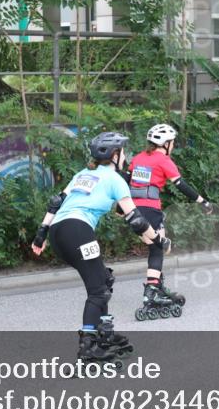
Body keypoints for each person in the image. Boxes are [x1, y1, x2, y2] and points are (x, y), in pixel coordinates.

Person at [31, 131, 171, 361]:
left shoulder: (83, 174)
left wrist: (41, 234)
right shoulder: (115, 179)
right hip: (78, 231)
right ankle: (88, 346)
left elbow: (56, 202)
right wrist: (158, 240)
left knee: (103, 280)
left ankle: (104, 334)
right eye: (123, 152)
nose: (125, 156)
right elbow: (136, 220)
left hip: (58, 232)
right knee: (98, 291)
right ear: (115, 155)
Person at [126, 123, 213, 321]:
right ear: (166, 144)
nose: (173, 146)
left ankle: (157, 285)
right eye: (172, 142)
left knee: (156, 247)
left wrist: (121, 210)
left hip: (132, 210)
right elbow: (181, 185)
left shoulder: (138, 158)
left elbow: (127, 181)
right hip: (150, 210)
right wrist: (203, 202)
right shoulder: (164, 160)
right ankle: (152, 292)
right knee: (158, 249)